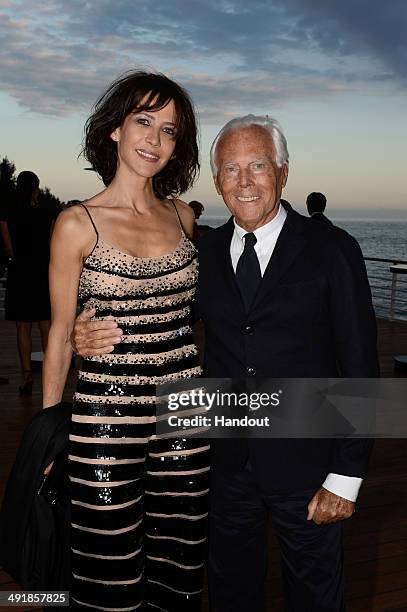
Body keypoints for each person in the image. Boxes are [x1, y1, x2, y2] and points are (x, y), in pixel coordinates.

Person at [71, 114, 379, 611]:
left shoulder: (333, 249)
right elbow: (162, 318)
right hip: (223, 465)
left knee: (316, 596)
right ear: (216, 181)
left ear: (282, 171)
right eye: (230, 169)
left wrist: (346, 478)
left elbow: (362, 367)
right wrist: (83, 332)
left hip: (308, 465)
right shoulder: (204, 252)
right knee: (231, 593)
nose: (244, 181)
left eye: (257, 165)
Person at [43, 71, 209, 611]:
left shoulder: (184, 217)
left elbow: (191, 315)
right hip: (106, 418)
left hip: (185, 416)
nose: (154, 140)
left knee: (178, 557)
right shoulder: (77, 223)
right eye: (144, 121)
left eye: (169, 130)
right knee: (106, 557)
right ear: (115, 128)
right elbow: (59, 334)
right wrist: (49, 431)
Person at [4, 171, 55, 394]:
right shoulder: (46, 212)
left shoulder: (8, 212)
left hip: (20, 270)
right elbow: (53, 242)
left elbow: (8, 247)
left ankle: (26, 375)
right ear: (36, 187)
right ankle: (51, 373)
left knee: (22, 326)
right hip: (42, 270)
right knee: (46, 325)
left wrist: (15, 257)